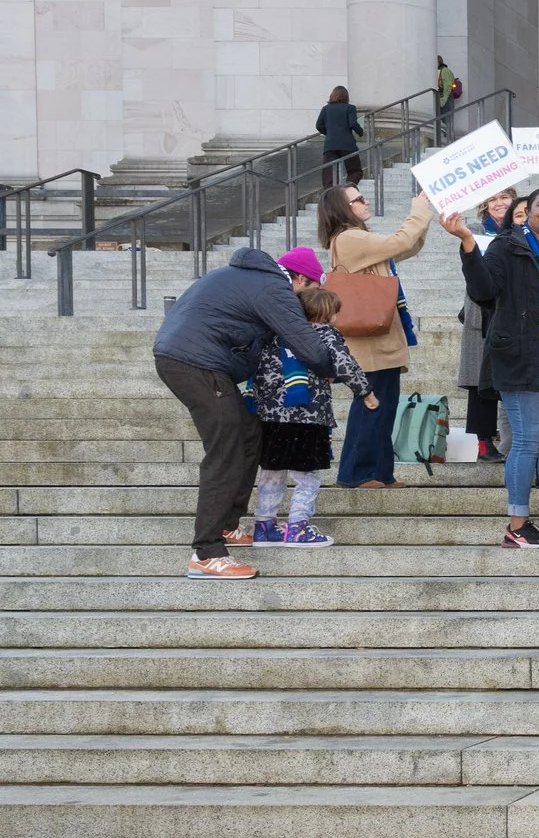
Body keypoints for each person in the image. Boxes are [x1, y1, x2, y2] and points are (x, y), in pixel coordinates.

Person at [153, 246, 348, 577]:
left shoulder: (245, 278)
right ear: (301, 279)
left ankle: (228, 525)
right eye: (313, 291)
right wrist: (334, 369)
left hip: (188, 358)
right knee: (226, 448)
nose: (309, 303)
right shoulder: (276, 288)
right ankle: (207, 553)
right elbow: (305, 340)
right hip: (196, 363)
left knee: (248, 434)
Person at [450, 187, 539, 548]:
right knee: (528, 440)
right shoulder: (506, 247)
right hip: (524, 359)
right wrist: (466, 241)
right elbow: (482, 289)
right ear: (524, 212)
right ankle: (518, 524)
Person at [318, 181, 435, 489]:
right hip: (369, 341)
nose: (363, 203)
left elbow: (406, 246)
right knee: (370, 406)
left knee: (383, 408)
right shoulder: (349, 238)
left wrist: (423, 219)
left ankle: (381, 472)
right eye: (357, 200)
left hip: (379, 340)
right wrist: (418, 211)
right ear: (343, 209)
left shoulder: (358, 238)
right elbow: (399, 241)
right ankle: (357, 473)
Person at [245, 276, 375, 547]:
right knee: (308, 477)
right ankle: (297, 528)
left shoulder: (276, 336)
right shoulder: (325, 334)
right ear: (328, 313)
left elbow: (263, 375)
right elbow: (344, 363)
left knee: (272, 471)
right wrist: (365, 391)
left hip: (272, 419)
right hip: (308, 417)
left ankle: (264, 527)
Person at [455, 188, 518, 463]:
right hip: (481, 311)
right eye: (493, 199)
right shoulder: (474, 230)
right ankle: (483, 442)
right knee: (479, 381)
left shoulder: (521, 229)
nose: (499, 203)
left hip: (512, 311)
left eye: (504, 197)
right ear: (484, 206)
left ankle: (515, 438)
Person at [315, 85, 363, 187]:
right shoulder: (350, 108)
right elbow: (353, 123)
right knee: (356, 171)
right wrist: (361, 132)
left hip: (331, 145)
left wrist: (329, 133)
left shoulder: (326, 109)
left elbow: (319, 125)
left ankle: (331, 196)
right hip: (347, 144)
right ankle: (347, 188)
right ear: (346, 96)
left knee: (329, 177)